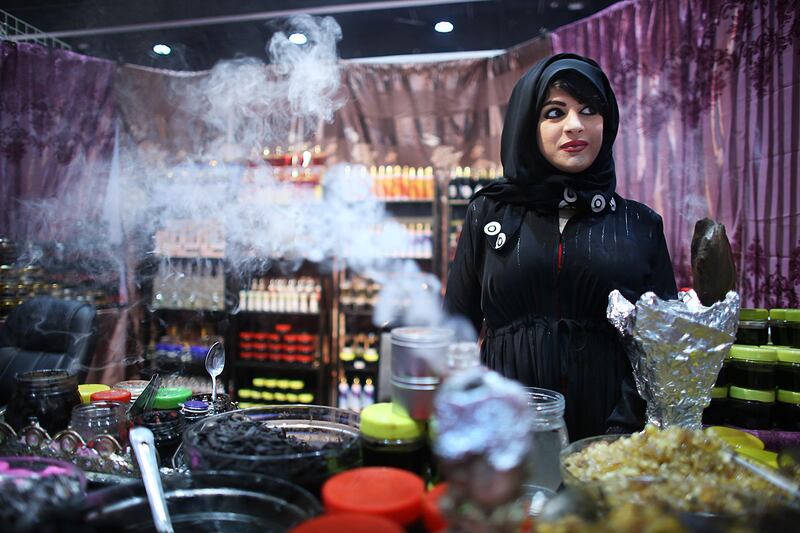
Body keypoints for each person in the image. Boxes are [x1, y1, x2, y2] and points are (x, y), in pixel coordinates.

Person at [444, 53, 677, 440]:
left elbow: (660, 345)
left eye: (589, 110)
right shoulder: (489, 212)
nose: (575, 126)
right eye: (555, 112)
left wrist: (621, 430)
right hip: (503, 432)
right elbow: (456, 328)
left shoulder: (640, 225)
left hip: (609, 435)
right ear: (527, 124)